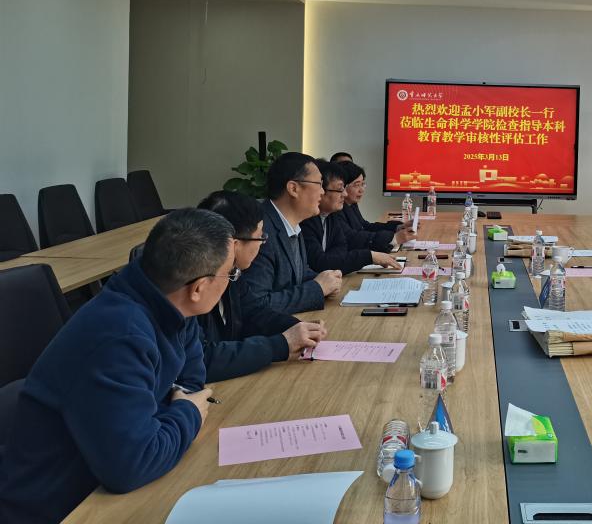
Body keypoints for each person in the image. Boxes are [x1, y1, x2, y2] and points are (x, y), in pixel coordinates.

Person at [0, 209, 233, 523]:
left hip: (101, 474)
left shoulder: (170, 301)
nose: (231, 282)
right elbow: (133, 464)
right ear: (199, 288)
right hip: (56, 506)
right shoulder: (120, 336)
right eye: (230, 274)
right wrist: (187, 413)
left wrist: (168, 419)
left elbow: (189, 381)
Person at [197, 190, 327, 382]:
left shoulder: (233, 273)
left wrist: (296, 327)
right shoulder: (192, 285)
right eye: (260, 237)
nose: (263, 243)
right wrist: (280, 345)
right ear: (233, 245)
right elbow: (202, 358)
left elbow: (254, 312)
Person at [242, 152, 344, 315]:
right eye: (319, 184)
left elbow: (296, 274)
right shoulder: (260, 230)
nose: (322, 192)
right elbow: (258, 304)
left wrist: (325, 279)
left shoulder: (291, 223)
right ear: (293, 188)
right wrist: (317, 288)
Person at [302, 160, 402, 275]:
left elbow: (342, 247)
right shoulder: (306, 220)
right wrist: (369, 256)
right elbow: (320, 263)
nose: (344, 194)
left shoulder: (330, 215)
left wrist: (332, 261)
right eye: (340, 189)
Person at [336, 160, 412, 252]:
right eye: (357, 185)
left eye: (362, 184)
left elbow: (365, 226)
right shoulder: (336, 209)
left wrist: (398, 227)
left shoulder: (351, 204)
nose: (361, 190)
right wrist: (392, 238)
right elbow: (352, 237)